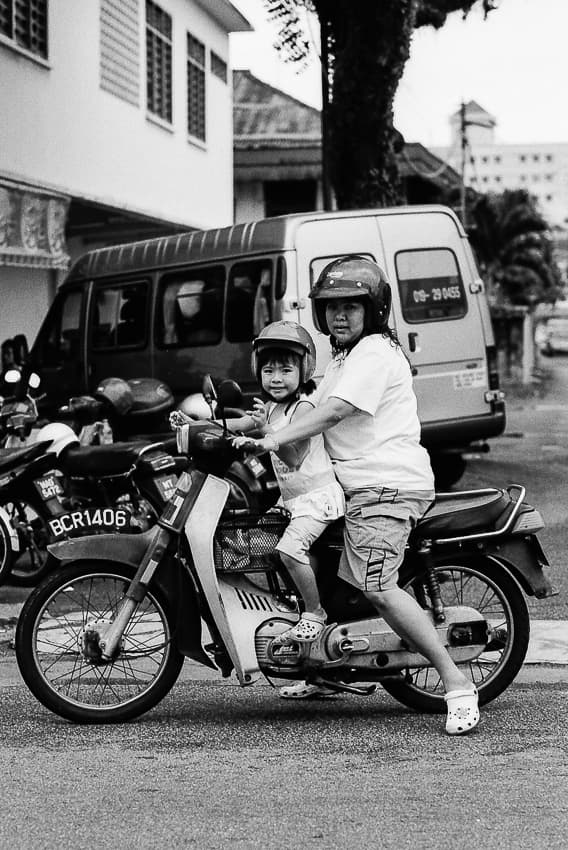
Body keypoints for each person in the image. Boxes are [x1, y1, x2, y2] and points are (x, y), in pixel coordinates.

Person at [235, 256, 480, 735]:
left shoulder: (374, 354)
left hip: (384, 486)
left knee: (376, 584)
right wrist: (234, 426)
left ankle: (456, 684)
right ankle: (323, 671)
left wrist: (271, 441)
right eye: (330, 308)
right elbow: (303, 402)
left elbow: (332, 412)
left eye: (351, 306)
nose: (339, 316)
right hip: (350, 486)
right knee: (319, 570)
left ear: (373, 310)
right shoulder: (343, 359)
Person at [229, 321, 345, 649]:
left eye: (285, 370)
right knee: (260, 541)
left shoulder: (304, 407)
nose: (276, 378)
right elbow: (240, 423)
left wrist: (266, 430)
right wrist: (197, 424)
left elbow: (294, 456)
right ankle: (296, 602)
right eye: (268, 370)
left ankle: (315, 613)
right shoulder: (271, 407)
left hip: (315, 498)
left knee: (289, 550)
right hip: (291, 499)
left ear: (304, 370)